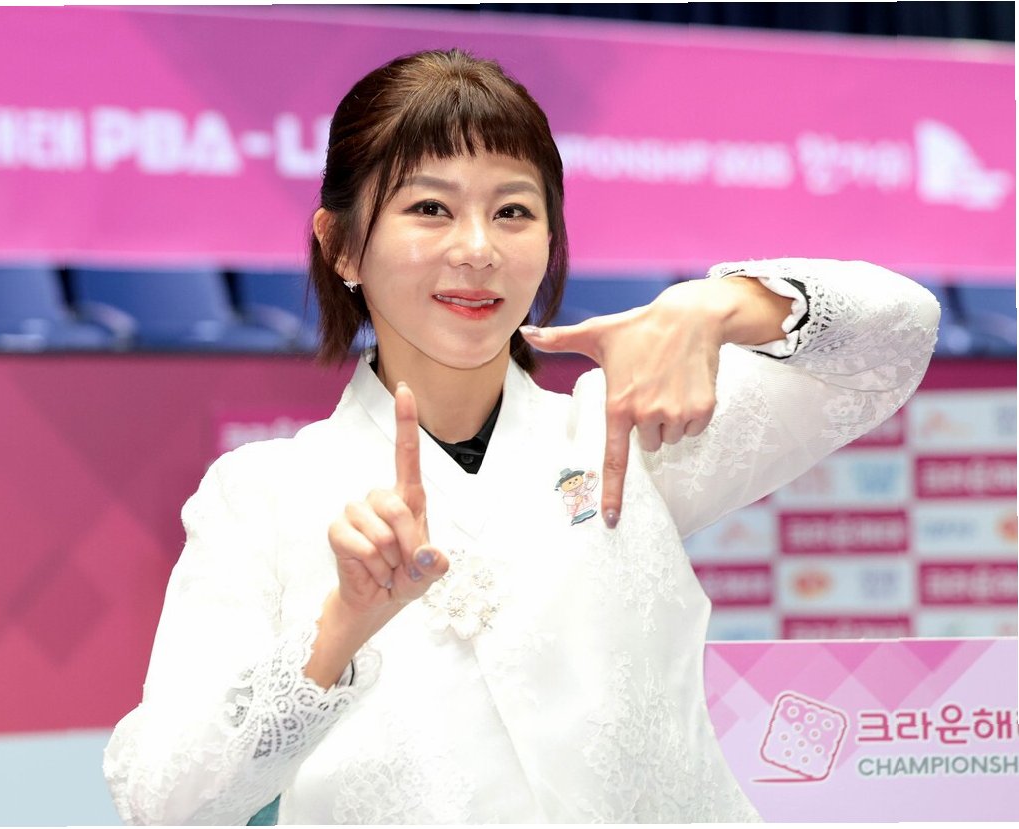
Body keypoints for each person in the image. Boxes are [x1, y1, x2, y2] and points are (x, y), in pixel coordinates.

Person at [104, 49, 939, 823]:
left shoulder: (625, 429)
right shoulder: (260, 495)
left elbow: (897, 338)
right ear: (342, 246)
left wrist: (720, 306)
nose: (478, 249)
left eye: (512, 211)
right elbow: (161, 798)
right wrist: (339, 628)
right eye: (429, 208)